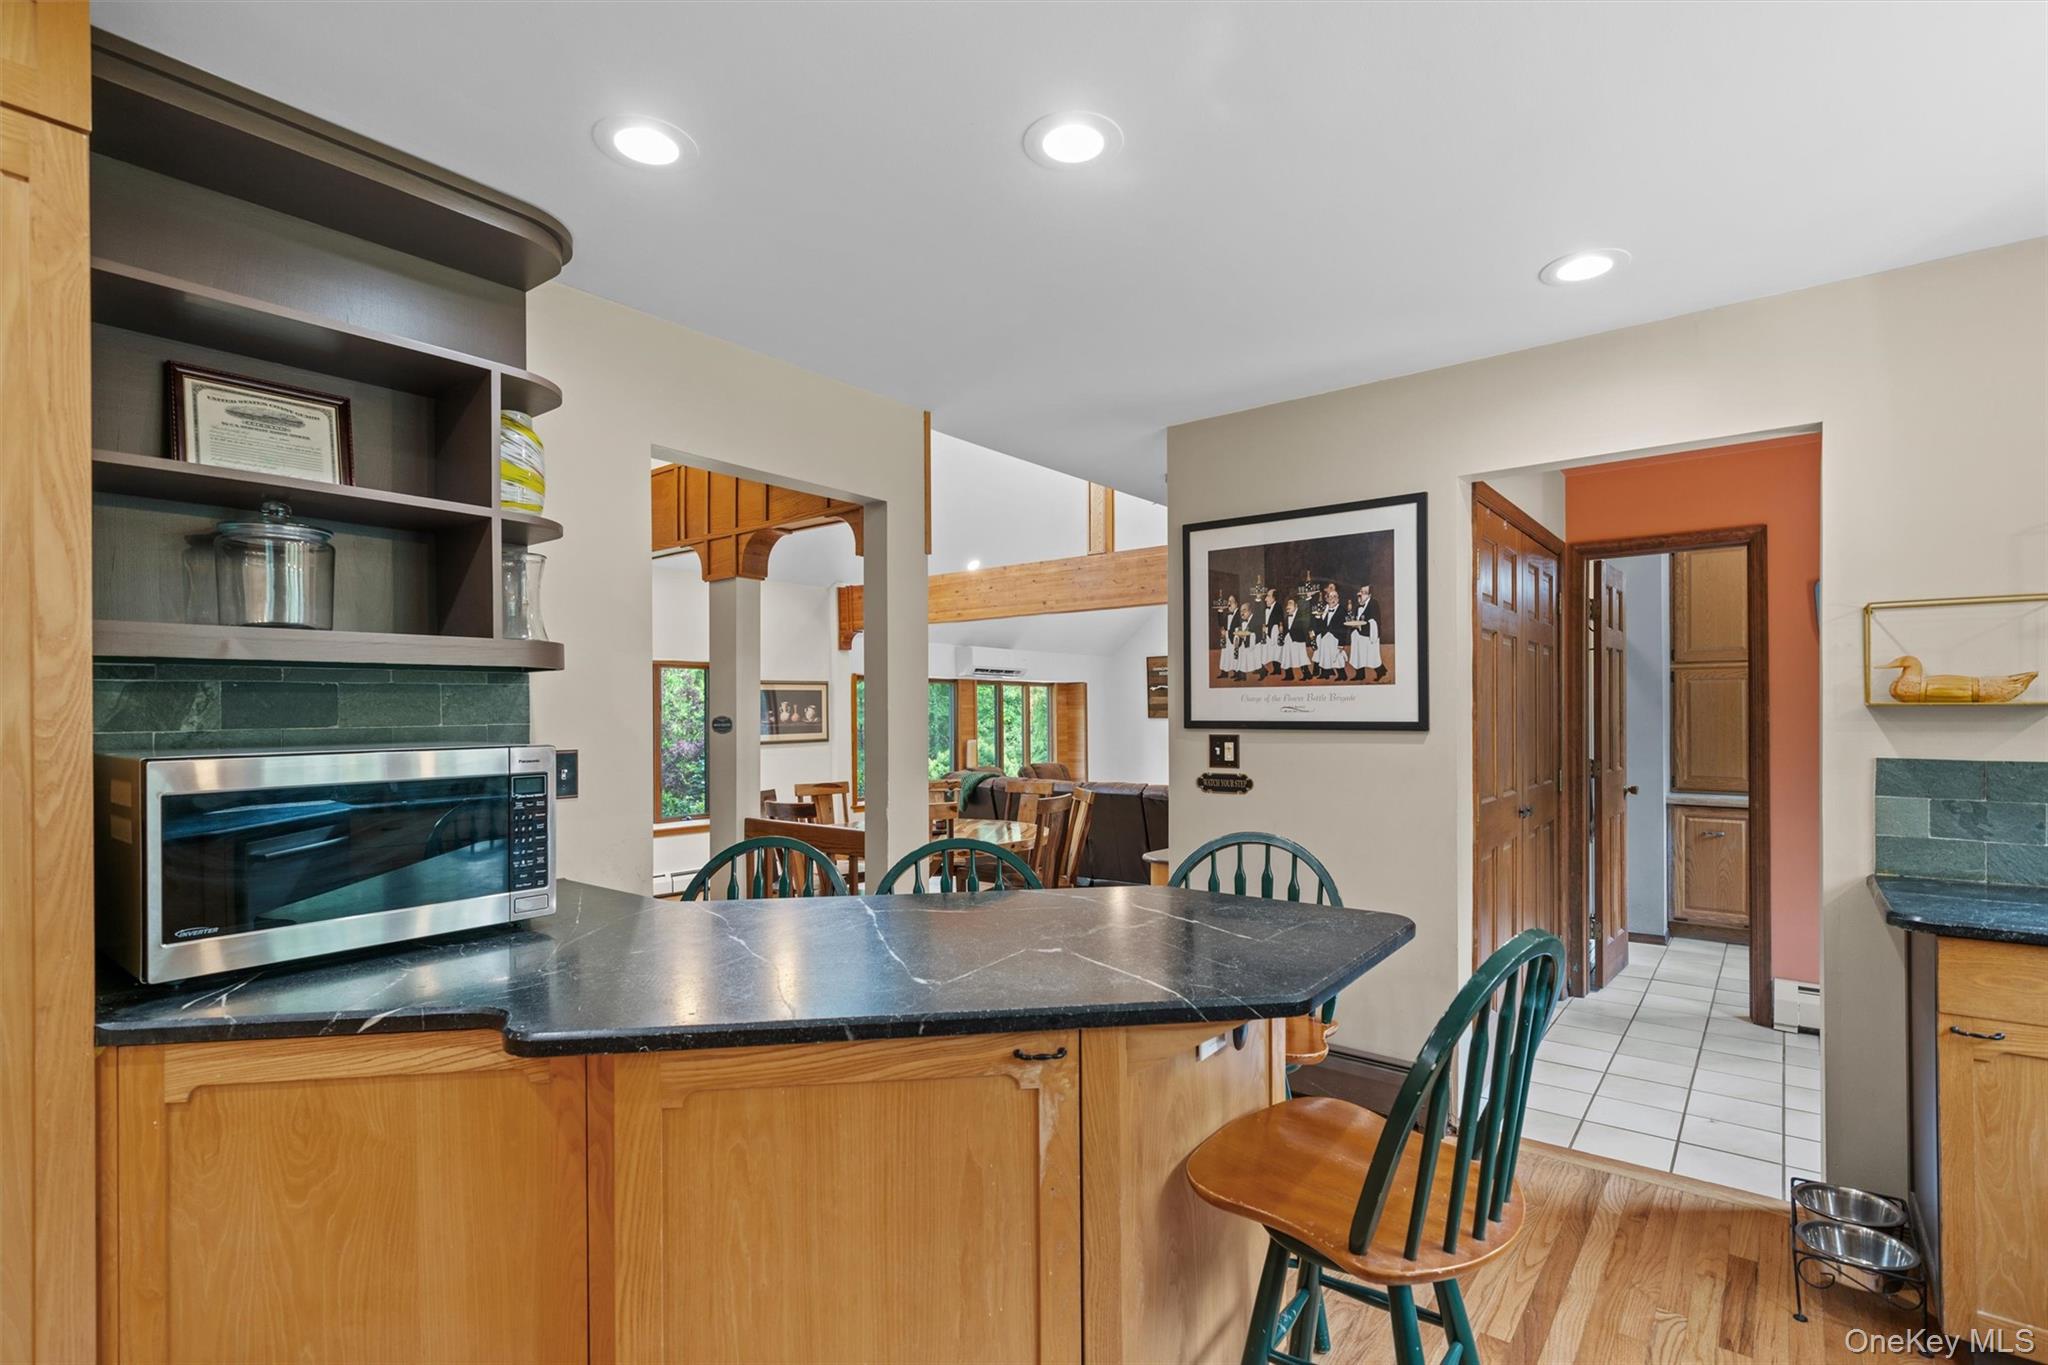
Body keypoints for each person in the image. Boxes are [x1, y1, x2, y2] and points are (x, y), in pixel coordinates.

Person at [1348, 584, 1386, 681]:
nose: (1361, 594)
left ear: (1369, 595)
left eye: (1364, 592)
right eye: (1361, 591)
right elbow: (1357, 618)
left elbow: (1374, 621)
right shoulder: (1358, 605)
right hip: (1359, 634)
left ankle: (1381, 671)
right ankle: (1360, 674)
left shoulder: (1373, 603)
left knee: (1372, 656)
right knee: (1358, 655)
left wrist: (1360, 626)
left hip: (1369, 634)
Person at [1312, 582, 1346, 679]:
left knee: (1337, 657)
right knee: (1325, 655)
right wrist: (1318, 618)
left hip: (1335, 637)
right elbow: (1322, 625)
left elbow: (1344, 629)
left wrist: (1341, 643)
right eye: (1330, 597)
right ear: (1327, 599)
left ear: (1338, 599)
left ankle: (1342, 675)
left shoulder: (1341, 610)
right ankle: (1325, 673)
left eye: (1335, 597)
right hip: (1325, 637)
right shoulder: (1325, 610)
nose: (1333, 599)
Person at [1276, 595, 1312, 681]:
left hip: (1298, 639)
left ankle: (1307, 674)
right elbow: (1284, 628)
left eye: (1290, 603)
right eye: (1287, 604)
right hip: (1288, 639)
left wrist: (1308, 641)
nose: (1288, 606)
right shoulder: (1286, 617)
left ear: (1296, 605)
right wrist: (1282, 636)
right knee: (1287, 657)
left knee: (1301, 657)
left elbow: (1305, 628)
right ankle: (1289, 675)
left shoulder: (1301, 616)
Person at [1255, 588, 1283, 679]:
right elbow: (1259, 615)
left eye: (1268, 596)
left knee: (1274, 652)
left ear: (1274, 598)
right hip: (1267, 633)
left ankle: (1275, 669)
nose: (1266, 599)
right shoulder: (1267, 608)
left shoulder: (1278, 607)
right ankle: (1263, 669)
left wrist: (1278, 635)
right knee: (1263, 651)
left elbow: (1280, 622)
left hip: (1273, 634)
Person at [1228, 599, 1257, 680]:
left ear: (1250, 611)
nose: (1242, 613)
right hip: (1242, 643)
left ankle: (1244, 675)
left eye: (1244, 610)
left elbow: (1255, 632)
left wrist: (1245, 636)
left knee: (1246, 660)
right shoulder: (1243, 621)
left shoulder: (1253, 620)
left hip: (1252, 645)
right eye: (1241, 611)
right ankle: (1241, 675)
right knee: (1241, 658)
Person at [1216, 593, 1239, 678]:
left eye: (1231, 602)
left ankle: (1237, 673)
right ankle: (1224, 673)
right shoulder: (1228, 614)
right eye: (1228, 601)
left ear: (1236, 604)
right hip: (1227, 638)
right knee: (1225, 655)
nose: (1229, 604)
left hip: (1235, 638)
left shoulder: (1239, 614)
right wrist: (1220, 611)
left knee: (1234, 655)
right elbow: (1221, 624)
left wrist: (1228, 632)